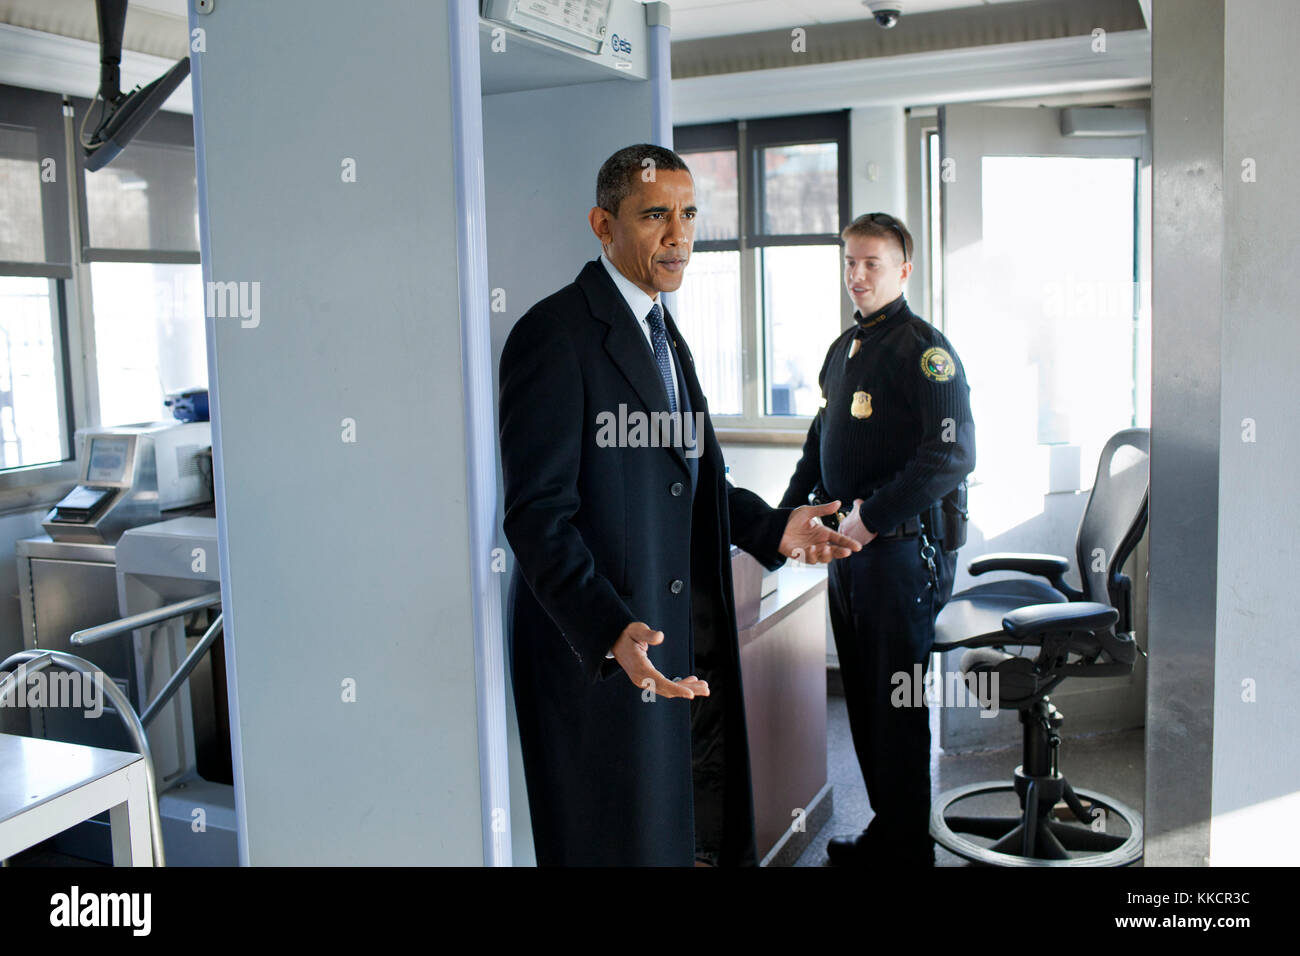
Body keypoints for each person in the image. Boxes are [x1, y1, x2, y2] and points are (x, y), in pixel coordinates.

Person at [498, 144, 860, 867]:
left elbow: (692, 481)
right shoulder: (555, 335)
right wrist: (605, 627)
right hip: (604, 652)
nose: (680, 236)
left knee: (682, 835)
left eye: (689, 214)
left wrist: (772, 528)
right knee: (610, 843)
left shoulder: (664, 333)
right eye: (655, 216)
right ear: (603, 226)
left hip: (680, 640)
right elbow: (537, 516)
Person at [780, 212, 975, 866]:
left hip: (898, 555)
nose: (857, 275)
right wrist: (781, 518)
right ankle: (891, 834)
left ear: (904, 270)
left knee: (896, 701)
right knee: (865, 699)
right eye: (850, 262)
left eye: (872, 263)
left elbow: (950, 455)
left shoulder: (926, 350)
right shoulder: (846, 350)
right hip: (851, 555)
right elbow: (819, 441)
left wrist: (870, 517)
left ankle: (906, 850)